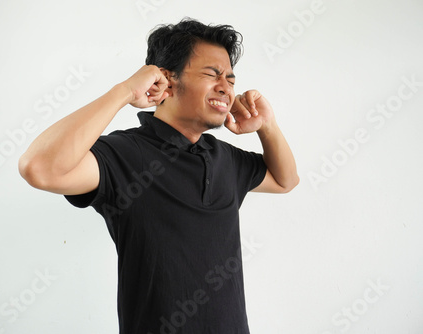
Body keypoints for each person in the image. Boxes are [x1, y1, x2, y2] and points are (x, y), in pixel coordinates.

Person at [19, 18, 299, 334]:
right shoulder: (124, 154)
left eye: (230, 79)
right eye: (212, 74)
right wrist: (123, 91)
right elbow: (39, 167)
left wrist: (267, 126)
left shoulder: (224, 157)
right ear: (166, 79)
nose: (226, 86)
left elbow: (285, 179)